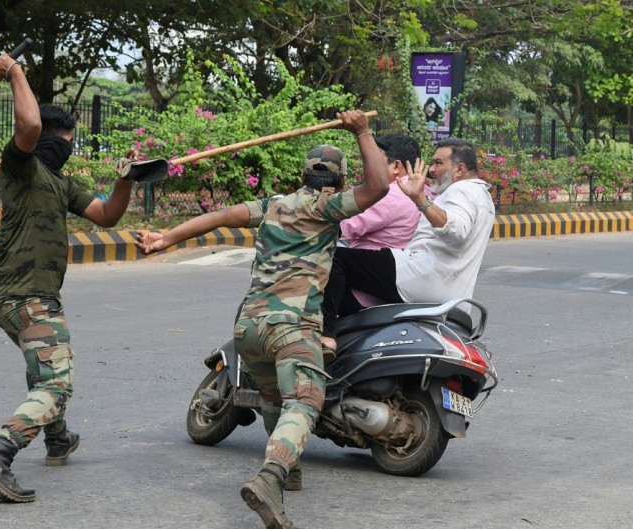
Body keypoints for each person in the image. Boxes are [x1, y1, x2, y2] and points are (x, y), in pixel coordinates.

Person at [137, 110, 395, 529]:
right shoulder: (329, 208)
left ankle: (288, 470)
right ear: (340, 181)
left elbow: (220, 217)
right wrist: (364, 131)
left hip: (248, 329)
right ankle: (270, 477)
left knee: (275, 399)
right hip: (292, 327)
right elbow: (380, 186)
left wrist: (166, 238)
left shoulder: (273, 204)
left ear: (303, 175)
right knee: (305, 401)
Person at [0, 53, 136, 503]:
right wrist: (16, 73)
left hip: (15, 296)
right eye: (67, 140)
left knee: (41, 364)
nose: (66, 147)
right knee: (56, 383)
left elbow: (108, 215)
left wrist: (126, 179)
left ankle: (57, 439)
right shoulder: (21, 168)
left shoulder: (60, 183)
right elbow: (31, 130)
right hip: (26, 296)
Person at [321, 138, 495, 350]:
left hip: (420, 275)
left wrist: (420, 198)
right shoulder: (481, 196)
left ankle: (326, 335)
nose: (432, 170)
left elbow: (456, 230)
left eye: (439, 163)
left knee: (334, 259)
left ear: (459, 169)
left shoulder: (461, 191)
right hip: (445, 288)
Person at [339, 134, 429, 251]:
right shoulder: (427, 191)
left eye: (375, 162)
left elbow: (343, 226)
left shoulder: (387, 194)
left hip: (369, 261)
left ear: (396, 166)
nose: (369, 167)